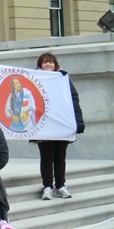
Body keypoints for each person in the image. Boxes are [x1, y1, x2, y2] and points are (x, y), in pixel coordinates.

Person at [35, 52, 85, 200]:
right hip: (44, 125)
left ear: (56, 64)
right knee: (46, 157)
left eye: (51, 62)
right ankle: (48, 186)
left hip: (62, 123)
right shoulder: (34, 79)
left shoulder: (63, 79)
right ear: (40, 65)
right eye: (45, 62)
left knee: (60, 157)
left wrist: (78, 121)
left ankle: (61, 185)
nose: (48, 64)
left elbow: (73, 99)